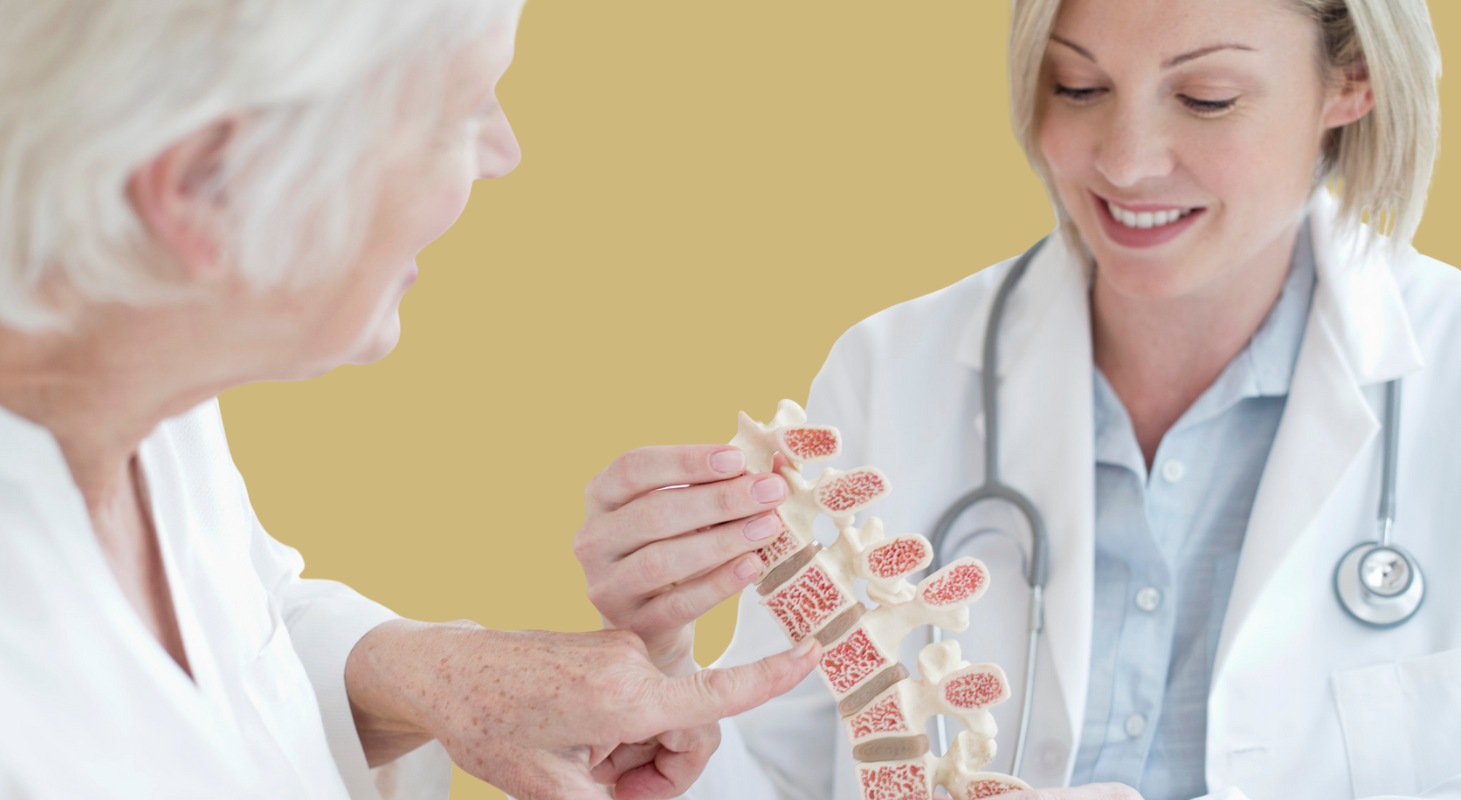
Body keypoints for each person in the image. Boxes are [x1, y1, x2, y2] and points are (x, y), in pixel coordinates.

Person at [0, 2, 822, 799]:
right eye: (458, 113)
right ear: (203, 185)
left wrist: (424, 674)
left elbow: (233, 635)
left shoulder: (110, 344)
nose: (503, 151)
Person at [575, 1, 1461, 798]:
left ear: (1352, 82)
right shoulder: (891, 373)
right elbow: (773, 776)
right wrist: (668, 685)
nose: (1125, 159)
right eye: (1078, 86)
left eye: (1207, 98)